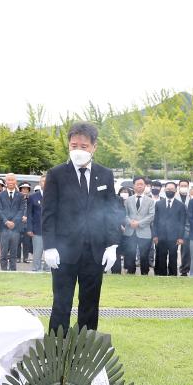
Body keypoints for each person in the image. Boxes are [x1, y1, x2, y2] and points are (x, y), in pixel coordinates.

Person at [43, 122, 121, 335]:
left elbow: (112, 211)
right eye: (74, 145)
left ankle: (84, 351)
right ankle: (56, 350)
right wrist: (49, 246)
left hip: (95, 252)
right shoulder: (56, 174)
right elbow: (48, 213)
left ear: (94, 147)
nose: (78, 150)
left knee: (90, 304)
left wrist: (113, 244)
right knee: (61, 304)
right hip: (64, 251)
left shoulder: (105, 174)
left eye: (84, 146)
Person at [122, 176, 155, 275]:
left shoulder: (150, 201)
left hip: (144, 232)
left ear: (145, 186)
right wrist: (130, 222)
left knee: (144, 255)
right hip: (130, 231)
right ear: (134, 186)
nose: (140, 186)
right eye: (138, 184)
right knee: (130, 254)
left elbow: (151, 216)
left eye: (142, 184)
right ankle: (130, 272)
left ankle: (144, 273)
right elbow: (124, 214)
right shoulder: (128, 200)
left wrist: (138, 223)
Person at [152, 180, 186, 276]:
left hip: (174, 237)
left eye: (171, 189)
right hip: (160, 237)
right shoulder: (159, 204)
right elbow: (155, 221)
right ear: (164, 190)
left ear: (176, 190)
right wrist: (154, 235)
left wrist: (180, 237)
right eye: (167, 189)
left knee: (173, 257)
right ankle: (161, 275)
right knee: (161, 257)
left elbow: (182, 222)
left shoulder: (181, 205)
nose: (169, 191)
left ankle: (172, 275)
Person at [0, 173, 24, 271]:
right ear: (5, 182)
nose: (10, 182)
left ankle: (13, 271)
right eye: (9, 180)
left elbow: (21, 210)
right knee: (4, 251)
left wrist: (13, 222)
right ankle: (4, 271)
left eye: (12, 180)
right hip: (4, 227)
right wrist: (6, 221)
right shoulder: (0, 195)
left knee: (14, 252)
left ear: (15, 182)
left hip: (16, 227)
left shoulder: (20, 195)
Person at [27, 177, 46, 272]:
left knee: (49, 255)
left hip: (51, 231)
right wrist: (29, 228)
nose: (45, 183)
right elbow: (29, 214)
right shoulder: (33, 197)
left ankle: (48, 272)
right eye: (43, 181)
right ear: (39, 183)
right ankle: (36, 271)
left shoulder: (55, 196)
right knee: (37, 254)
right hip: (37, 230)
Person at [177, 179, 192, 275]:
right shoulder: (174, 197)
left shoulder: (191, 198)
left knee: (186, 250)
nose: (183, 187)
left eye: (185, 185)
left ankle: (184, 269)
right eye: (181, 185)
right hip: (174, 227)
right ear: (178, 187)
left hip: (187, 228)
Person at [18, 182, 33, 263]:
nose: (25, 190)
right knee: (17, 241)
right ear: (20, 189)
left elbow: (33, 211)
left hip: (28, 223)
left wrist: (27, 217)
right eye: (23, 188)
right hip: (18, 223)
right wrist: (21, 217)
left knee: (26, 242)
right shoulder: (17, 198)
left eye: (26, 189)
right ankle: (18, 257)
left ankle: (25, 257)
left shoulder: (31, 199)